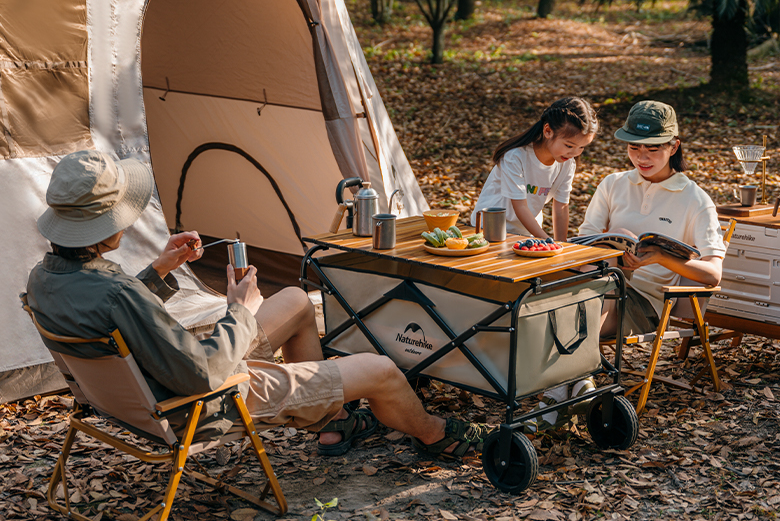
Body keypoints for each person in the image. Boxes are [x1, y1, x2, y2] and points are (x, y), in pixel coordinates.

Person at [25, 150, 489, 460]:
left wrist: (161, 270)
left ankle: (334, 419)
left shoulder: (46, 279)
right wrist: (239, 308)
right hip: (200, 401)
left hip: (140, 394)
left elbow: (121, 316)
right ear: (107, 226)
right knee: (382, 371)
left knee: (295, 302)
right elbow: (202, 373)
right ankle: (434, 435)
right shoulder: (115, 291)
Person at [540, 101, 726, 425]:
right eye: (634, 147)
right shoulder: (612, 184)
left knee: (587, 297)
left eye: (653, 148)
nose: (642, 157)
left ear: (674, 146)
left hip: (645, 305)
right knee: (584, 288)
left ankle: (556, 396)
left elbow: (712, 274)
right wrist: (614, 255)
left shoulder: (695, 199)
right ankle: (579, 383)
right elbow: (583, 245)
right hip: (598, 283)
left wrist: (663, 258)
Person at [470, 96, 598, 241]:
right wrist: (548, 241)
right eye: (569, 145)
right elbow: (520, 207)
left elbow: (561, 207)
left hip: (528, 234)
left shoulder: (567, 164)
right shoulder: (515, 157)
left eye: (581, 147)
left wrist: (562, 246)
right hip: (489, 231)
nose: (574, 153)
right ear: (548, 131)